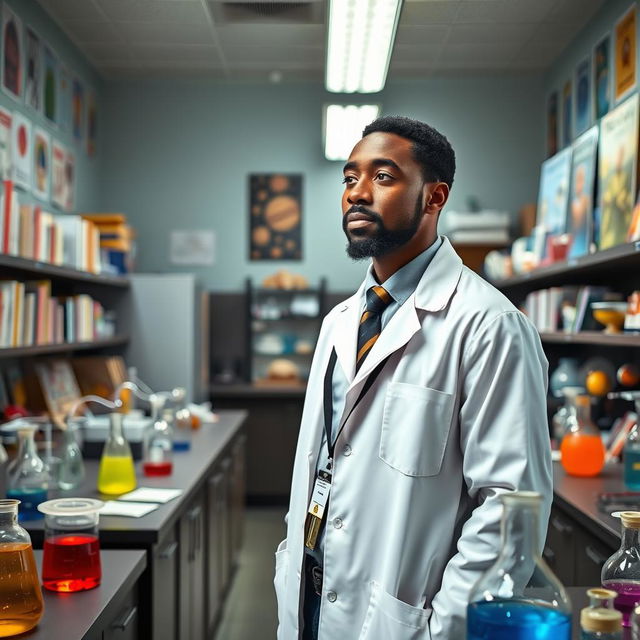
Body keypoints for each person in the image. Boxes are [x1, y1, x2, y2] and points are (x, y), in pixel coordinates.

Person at [274, 115, 552, 640]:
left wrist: (444, 629)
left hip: (406, 620)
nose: (357, 193)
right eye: (349, 178)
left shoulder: (490, 326)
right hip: (311, 595)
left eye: (382, 177)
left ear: (434, 197)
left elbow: (510, 508)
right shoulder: (340, 322)